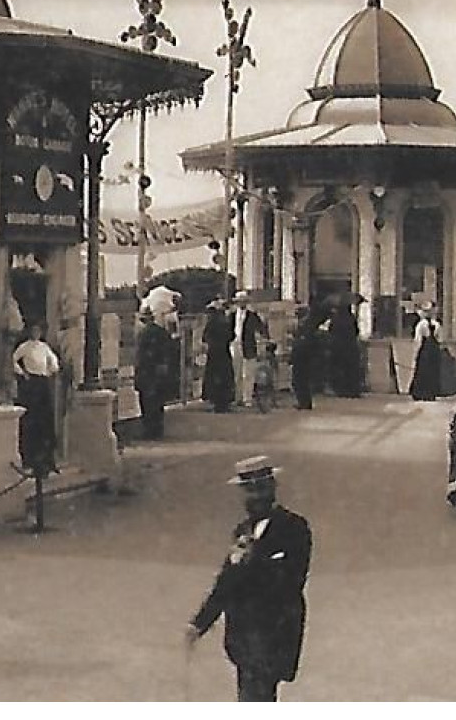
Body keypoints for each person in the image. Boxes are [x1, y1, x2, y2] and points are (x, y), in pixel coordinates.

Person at [187, 456, 312, 702]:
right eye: (248, 491)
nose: (253, 497)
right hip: (244, 635)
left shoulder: (294, 528)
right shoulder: (242, 531)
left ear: (272, 489)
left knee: (258, 696)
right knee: (251, 696)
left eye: (259, 489)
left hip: (274, 631)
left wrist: (252, 561)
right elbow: (226, 583)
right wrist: (199, 624)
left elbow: (293, 578)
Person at [12, 322, 60, 470]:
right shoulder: (25, 347)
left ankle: (47, 457)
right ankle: (30, 456)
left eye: (38, 331)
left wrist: (52, 371)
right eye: (34, 330)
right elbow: (13, 360)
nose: (36, 333)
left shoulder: (44, 347)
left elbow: (53, 362)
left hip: (43, 381)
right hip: (31, 383)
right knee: (31, 417)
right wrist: (23, 374)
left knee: (45, 417)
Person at [134, 308, 173, 439]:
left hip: (147, 371)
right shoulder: (161, 332)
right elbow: (168, 350)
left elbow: (141, 356)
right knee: (158, 402)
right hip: (158, 371)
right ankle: (158, 428)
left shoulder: (143, 334)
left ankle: (149, 430)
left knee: (147, 402)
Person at [230, 293, 269, 407]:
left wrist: (263, 338)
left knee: (248, 373)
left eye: (243, 301)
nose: (241, 303)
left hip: (248, 345)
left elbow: (261, 328)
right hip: (235, 344)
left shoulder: (252, 316)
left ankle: (247, 398)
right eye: (239, 301)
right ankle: (238, 397)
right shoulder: (232, 315)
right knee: (236, 373)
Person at [202, 300, 236, 413]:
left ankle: (216, 402)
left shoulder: (211, 322)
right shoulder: (225, 322)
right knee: (225, 377)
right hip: (224, 351)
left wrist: (210, 342)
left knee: (214, 377)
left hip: (214, 353)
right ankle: (224, 403)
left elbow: (205, 336)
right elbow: (232, 336)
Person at [327, 296, 364, 398]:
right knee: (352, 369)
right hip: (350, 346)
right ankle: (353, 390)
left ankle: (341, 390)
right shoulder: (351, 318)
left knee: (339, 368)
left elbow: (331, 331)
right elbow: (356, 331)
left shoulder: (335, 318)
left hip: (338, 347)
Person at [408, 304, 446, 402]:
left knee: (422, 372)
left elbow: (418, 340)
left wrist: (416, 353)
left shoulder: (421, 325)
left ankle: (420, 393)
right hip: (434, 350)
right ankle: (431, 393)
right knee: (433, 372)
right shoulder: (437, 324)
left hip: (425, 350)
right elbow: (440, 339)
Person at [287, 306, 320, 410]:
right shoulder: (307, 325)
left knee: (299, 380)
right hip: (304, 356)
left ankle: (304, 402)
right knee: (302, 380)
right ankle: (305, 401)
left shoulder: (305, 326)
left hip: (302, 356)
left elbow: (300, 343)